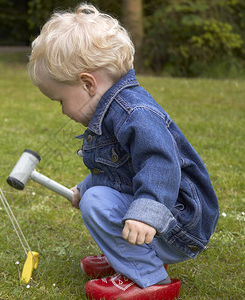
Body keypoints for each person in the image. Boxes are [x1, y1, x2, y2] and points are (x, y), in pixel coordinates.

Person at [27, 3, 219, 299]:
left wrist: (146, 215)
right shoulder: (113, 109)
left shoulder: (134, 113)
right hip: (169, 219)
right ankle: (128, 255)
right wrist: (85, 185)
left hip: (179, 224)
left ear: (88, 83)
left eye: (60, 100)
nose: (62, 110)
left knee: (96, 203)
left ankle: (148, 278)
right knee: (93, 196)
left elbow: (160, 163)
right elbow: (121, 170)